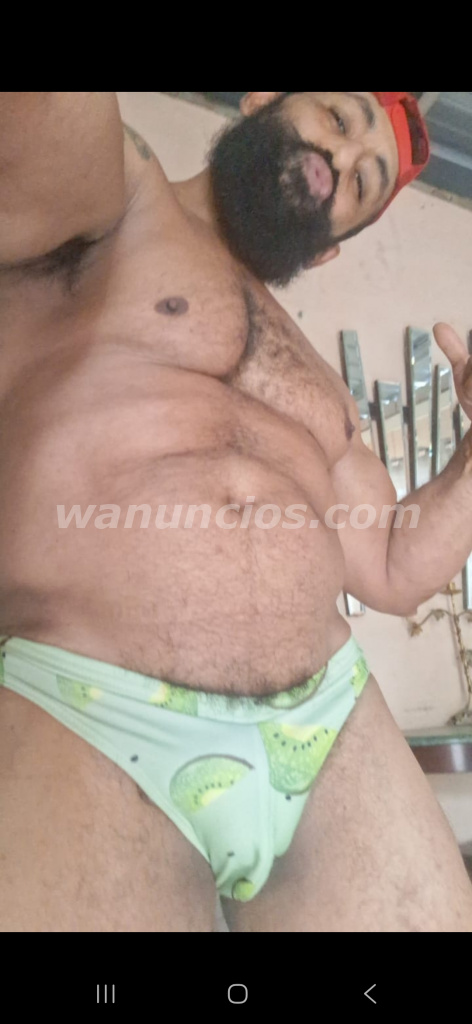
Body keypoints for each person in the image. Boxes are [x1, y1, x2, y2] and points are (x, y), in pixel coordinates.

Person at [0, 91, 471, 932]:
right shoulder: (115, 197)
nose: (343, 160)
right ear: (262, 98)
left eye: (366, 183)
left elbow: (395, 564)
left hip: (331, 718)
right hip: (90, 694)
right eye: (339, 117)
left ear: (328, 251)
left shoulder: (319, 382)